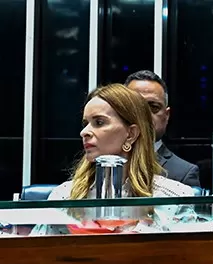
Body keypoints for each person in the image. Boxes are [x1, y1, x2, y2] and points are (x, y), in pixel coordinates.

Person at [37, 84, 200, 234]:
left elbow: (191, 254)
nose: (84, 132)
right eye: (85, 123)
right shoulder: (64, 196)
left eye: (99, 122)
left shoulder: (174, 198)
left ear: (131, 134)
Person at [125, 70, 201, 187]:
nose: (145, 114)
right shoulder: (102, 161)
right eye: (136, 106)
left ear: (166, 115)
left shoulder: (183, 173)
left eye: (153, 107)